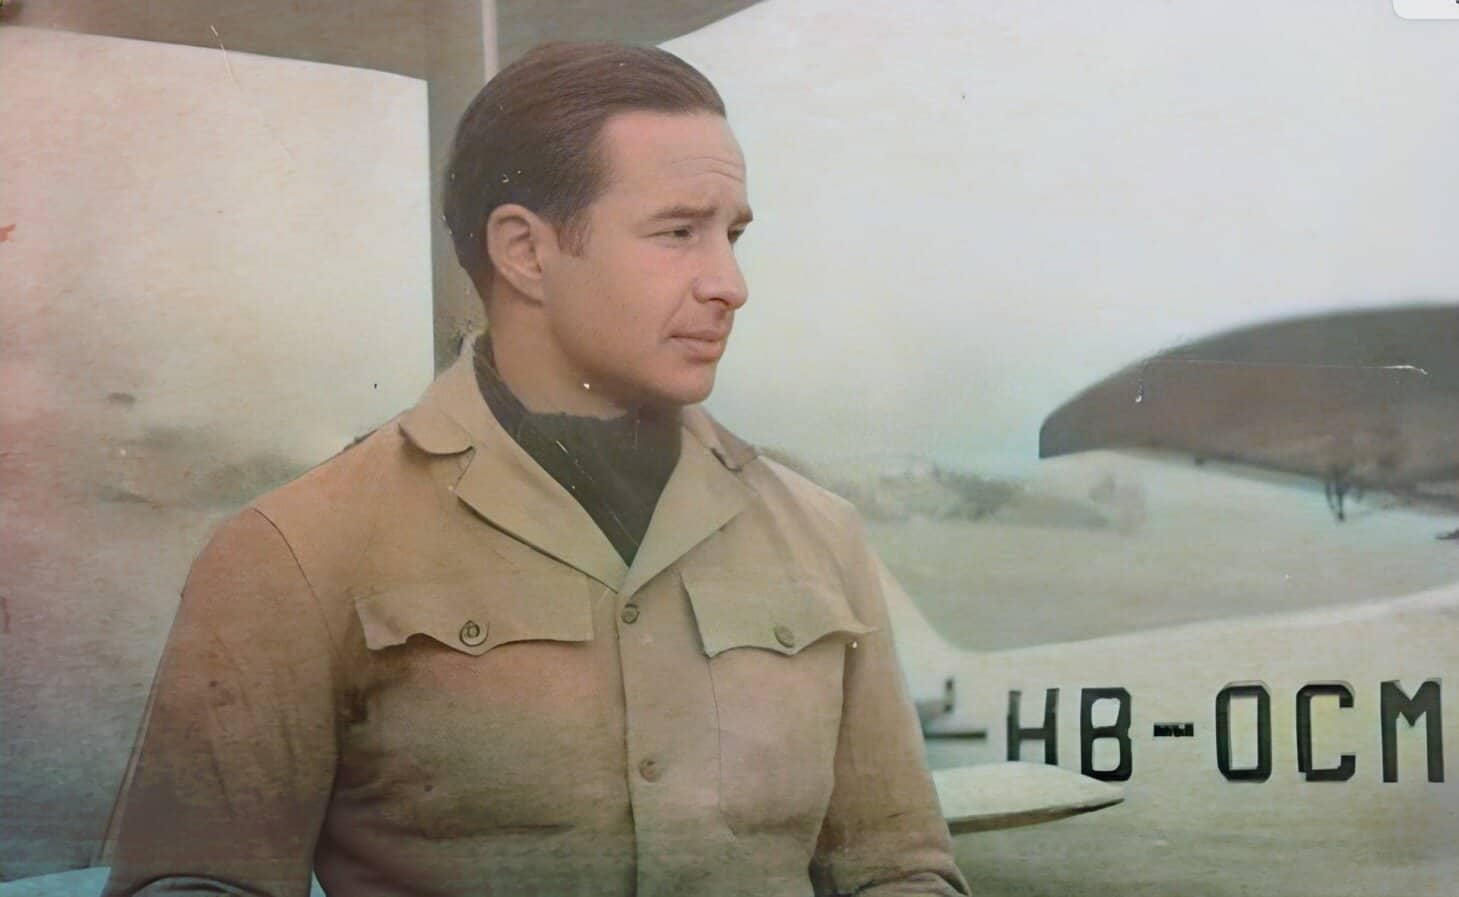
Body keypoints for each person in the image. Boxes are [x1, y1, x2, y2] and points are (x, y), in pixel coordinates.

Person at [103, 42, 970, 897]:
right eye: (678, 232)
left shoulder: (820, 537)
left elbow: (895, 868)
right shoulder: (296, 550)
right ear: (524, 252)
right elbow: (198, 884)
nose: (729, 283)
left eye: (732, 235)